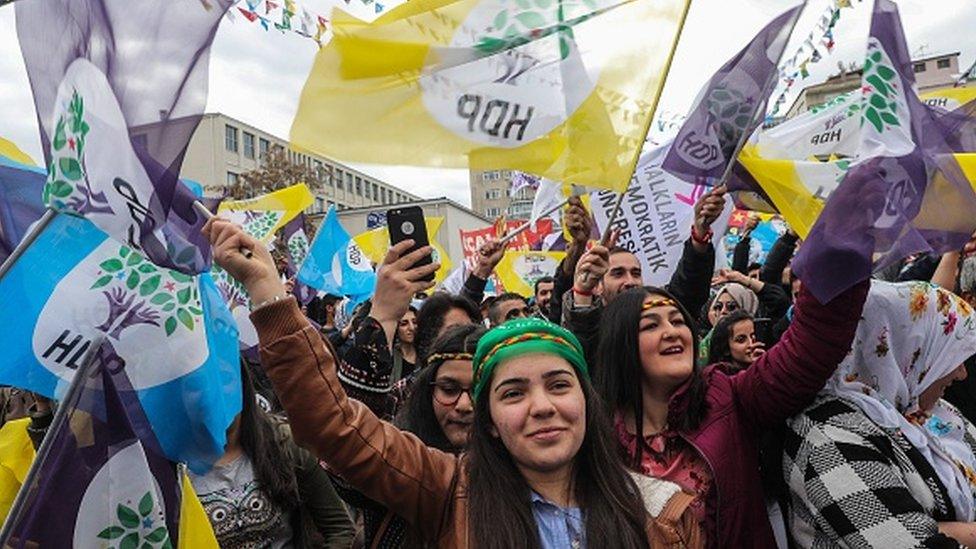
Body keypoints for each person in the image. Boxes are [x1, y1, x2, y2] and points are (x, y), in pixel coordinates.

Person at [204, 219, 702, 548]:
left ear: (588, 402)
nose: (542, 406)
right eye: (513, 393)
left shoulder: (662, 515)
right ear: (488, 423)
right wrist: (267, 291)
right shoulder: (447, 490)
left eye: (558, 385)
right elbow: (333, 423)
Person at [593, 270, 870, 548]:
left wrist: (836, 250)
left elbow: (810, 344)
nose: (672, 332)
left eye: (678, 321)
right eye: (650, 326)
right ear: (621, 344)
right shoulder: (596, 437)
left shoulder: (726, 397)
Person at [784, 281, 976, 548]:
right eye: (951, 354)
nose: (962, 373)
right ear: (908, 347)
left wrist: (954, 530)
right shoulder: (827, 437)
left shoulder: (931, 411)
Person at [333, 323, 484, 547]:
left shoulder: (523, 470)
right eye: (449, 390)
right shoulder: (396, 460)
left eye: (477, 390)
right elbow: (343, 462)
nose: (464, 405)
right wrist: (382, 318)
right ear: (428, 391)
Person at [189, 364, 355, 548]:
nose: (215, 393)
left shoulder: (284, 444)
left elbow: (340, 529)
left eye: (225, 379)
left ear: (243, 384)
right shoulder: (170, 467)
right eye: (200, 384)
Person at [561, 186, 726, 367]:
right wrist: (579, 253)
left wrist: (700, 233)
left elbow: (688, 288)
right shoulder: (593, 330)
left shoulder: (658, 306)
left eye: (636, 273)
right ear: (597, 286)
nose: (630, 281)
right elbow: (583, 341)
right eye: (618, 273)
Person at [394, 306, 418, 381]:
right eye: (404, 324)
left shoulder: (427, 355)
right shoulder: (390, 358)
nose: (411, 328)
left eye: (414, 322)